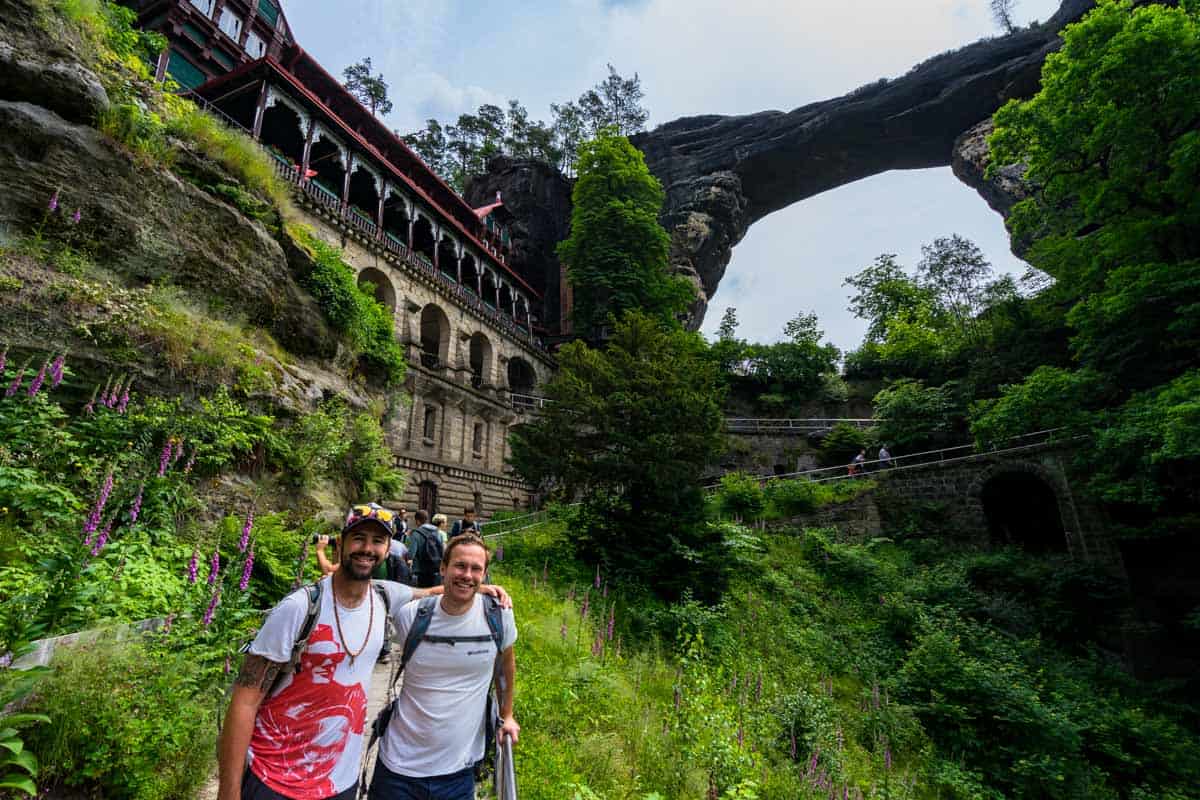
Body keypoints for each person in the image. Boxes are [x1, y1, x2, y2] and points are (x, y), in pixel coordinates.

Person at [217, 504, 509, 800]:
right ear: (340, 543)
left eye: (377, 541)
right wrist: (229, 792)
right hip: (274, 779)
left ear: (387, 549)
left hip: (339, 783)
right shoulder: (300, 608)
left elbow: (435, 592)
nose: (367, 548)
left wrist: (480, 587)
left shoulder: (384, 596)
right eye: (359, 538)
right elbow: (243, 703)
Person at [368, 534, 519, 800]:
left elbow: (505, 667)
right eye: (460, 566)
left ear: (485, 574)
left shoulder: (498, 617)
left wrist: (507, 715)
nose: (467, 575)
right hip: (397, 769)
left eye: (476, 569)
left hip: (458, 774)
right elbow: (366, 590)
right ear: (442, 568)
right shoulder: (413, 616)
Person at [407, 509, 444, 589]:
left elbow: (411, 554)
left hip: (421, 572)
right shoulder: (438, 532)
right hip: (435, 570)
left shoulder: (416, 534)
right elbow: (442, 550)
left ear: (417, 521)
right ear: (427, 519)